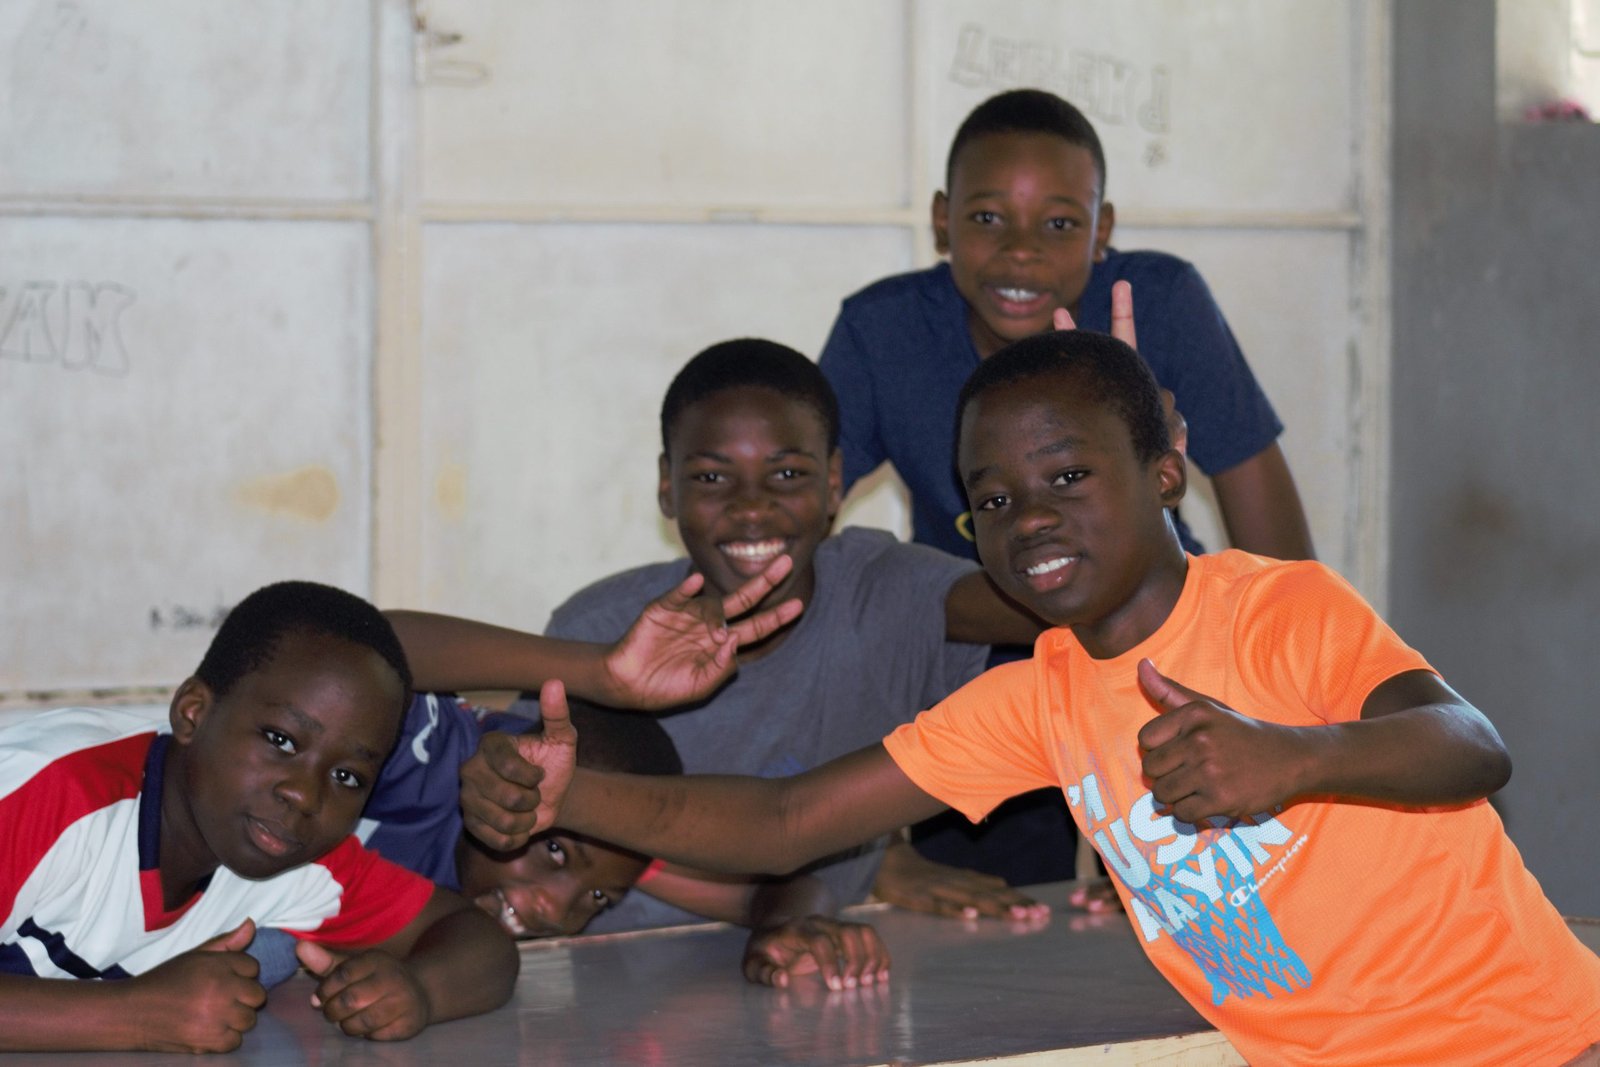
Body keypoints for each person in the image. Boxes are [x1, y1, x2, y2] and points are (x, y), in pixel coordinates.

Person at [475, 331, 1600, 1066]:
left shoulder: (1274, 607)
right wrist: (569, 793)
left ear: (1164, 470)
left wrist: (1297, 757)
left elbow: (1469, 743)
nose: (1033, 517)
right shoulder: (1039, 699)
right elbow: (784, 819)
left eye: (1067, 475)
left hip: (1528, 1043)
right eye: (996, 499)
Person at [819, 86, 1314, 887]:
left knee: (1204, 896)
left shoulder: (1161, 302)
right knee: (999, 912)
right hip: (987, 650)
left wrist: (1289, 686)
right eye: (987, 218)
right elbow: (798, 532)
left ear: (1102, 228)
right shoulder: (884, 332)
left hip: (1159, 643)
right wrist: (874, 858)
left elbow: (1273, 534)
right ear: (942, 220)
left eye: (1058, 224)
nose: (1021, 252)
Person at [488, 337, 1049, 942]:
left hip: (812, 954)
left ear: (833, 482)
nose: (752, 508)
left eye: (786, 474)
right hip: (606, 957)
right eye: (711, 477)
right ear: (667, 486)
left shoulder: (883, 592)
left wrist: (1110, 466)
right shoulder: (596, 628)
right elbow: (510, 821)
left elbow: (1057, 599)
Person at [0, 580, 518, 1054]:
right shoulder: (52, 792)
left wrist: (419, 991)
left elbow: (478, 941)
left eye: (347, 776)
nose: (304, 796)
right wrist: (137, 1016)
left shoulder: (301, 860)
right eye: (281, 740)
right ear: (193, 713)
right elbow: (140, 1019)